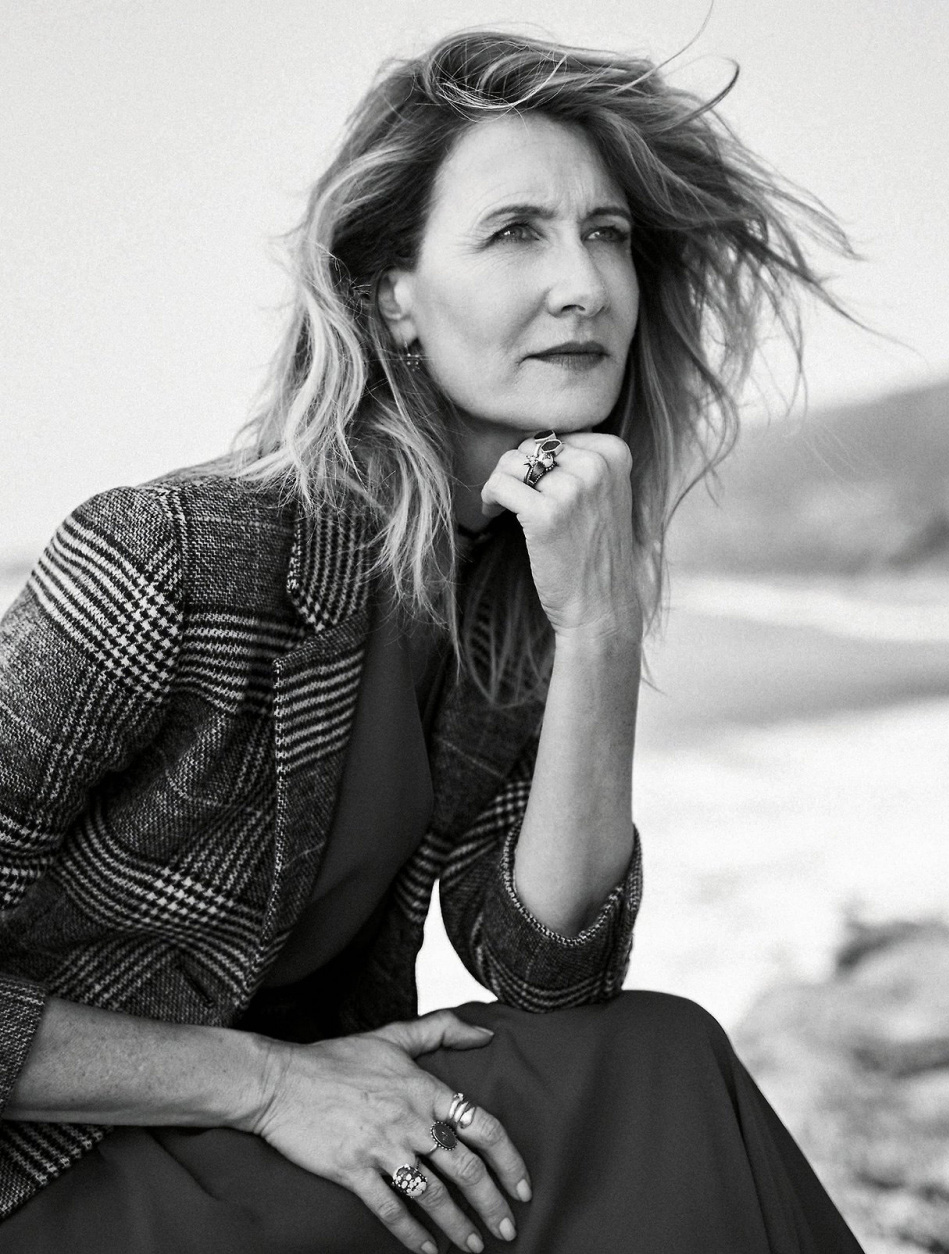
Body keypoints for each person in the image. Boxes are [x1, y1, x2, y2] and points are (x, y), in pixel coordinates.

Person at [0, 28, 864, 1253]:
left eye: (607, 233)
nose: (585, 285)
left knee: (650, 1054)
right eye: (515, 232)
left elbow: (550, 973)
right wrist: (265, 1083)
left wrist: (599, 626)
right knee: (652, 1087)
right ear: (388, 295)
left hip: (301, 1131)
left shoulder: (511, 585)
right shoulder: (175, 555)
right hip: (63, 1167)